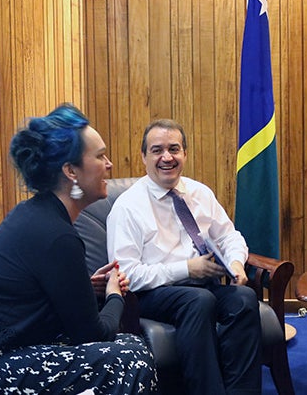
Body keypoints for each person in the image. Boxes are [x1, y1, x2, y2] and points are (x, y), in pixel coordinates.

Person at [0, 104, 157, 394]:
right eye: (100, 155)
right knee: (131, 356)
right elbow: (92, 334)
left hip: (13, 353)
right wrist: (114, 295)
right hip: (5, 367)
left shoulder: (35, 213)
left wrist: (84, 285)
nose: (109, 164)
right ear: (70, 171)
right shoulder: (57, 236)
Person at [106, 119, 261, 395]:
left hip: (204, 286)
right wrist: (187, 269)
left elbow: (229, 236)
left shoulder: (199, 193)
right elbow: (127, 274)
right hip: (152, 293)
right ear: (144, 157)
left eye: (174, 149)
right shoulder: (128, 206)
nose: (167, 157)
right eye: (157, 150)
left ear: (185, 154)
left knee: (244, 299)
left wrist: (236, 262)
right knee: (198, 300)